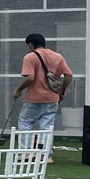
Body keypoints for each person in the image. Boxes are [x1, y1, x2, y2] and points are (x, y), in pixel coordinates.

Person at [12, 33, 72, 163]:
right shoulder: (57, 56)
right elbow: (69, 75)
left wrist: (19, 90)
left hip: (33, 98)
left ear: (30, 44)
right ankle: (46, 156)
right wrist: (62, 90)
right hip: (52, 98)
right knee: (47, 127)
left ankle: (26, 153)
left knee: (25, 122)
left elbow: (30, 78)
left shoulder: (30, 57)